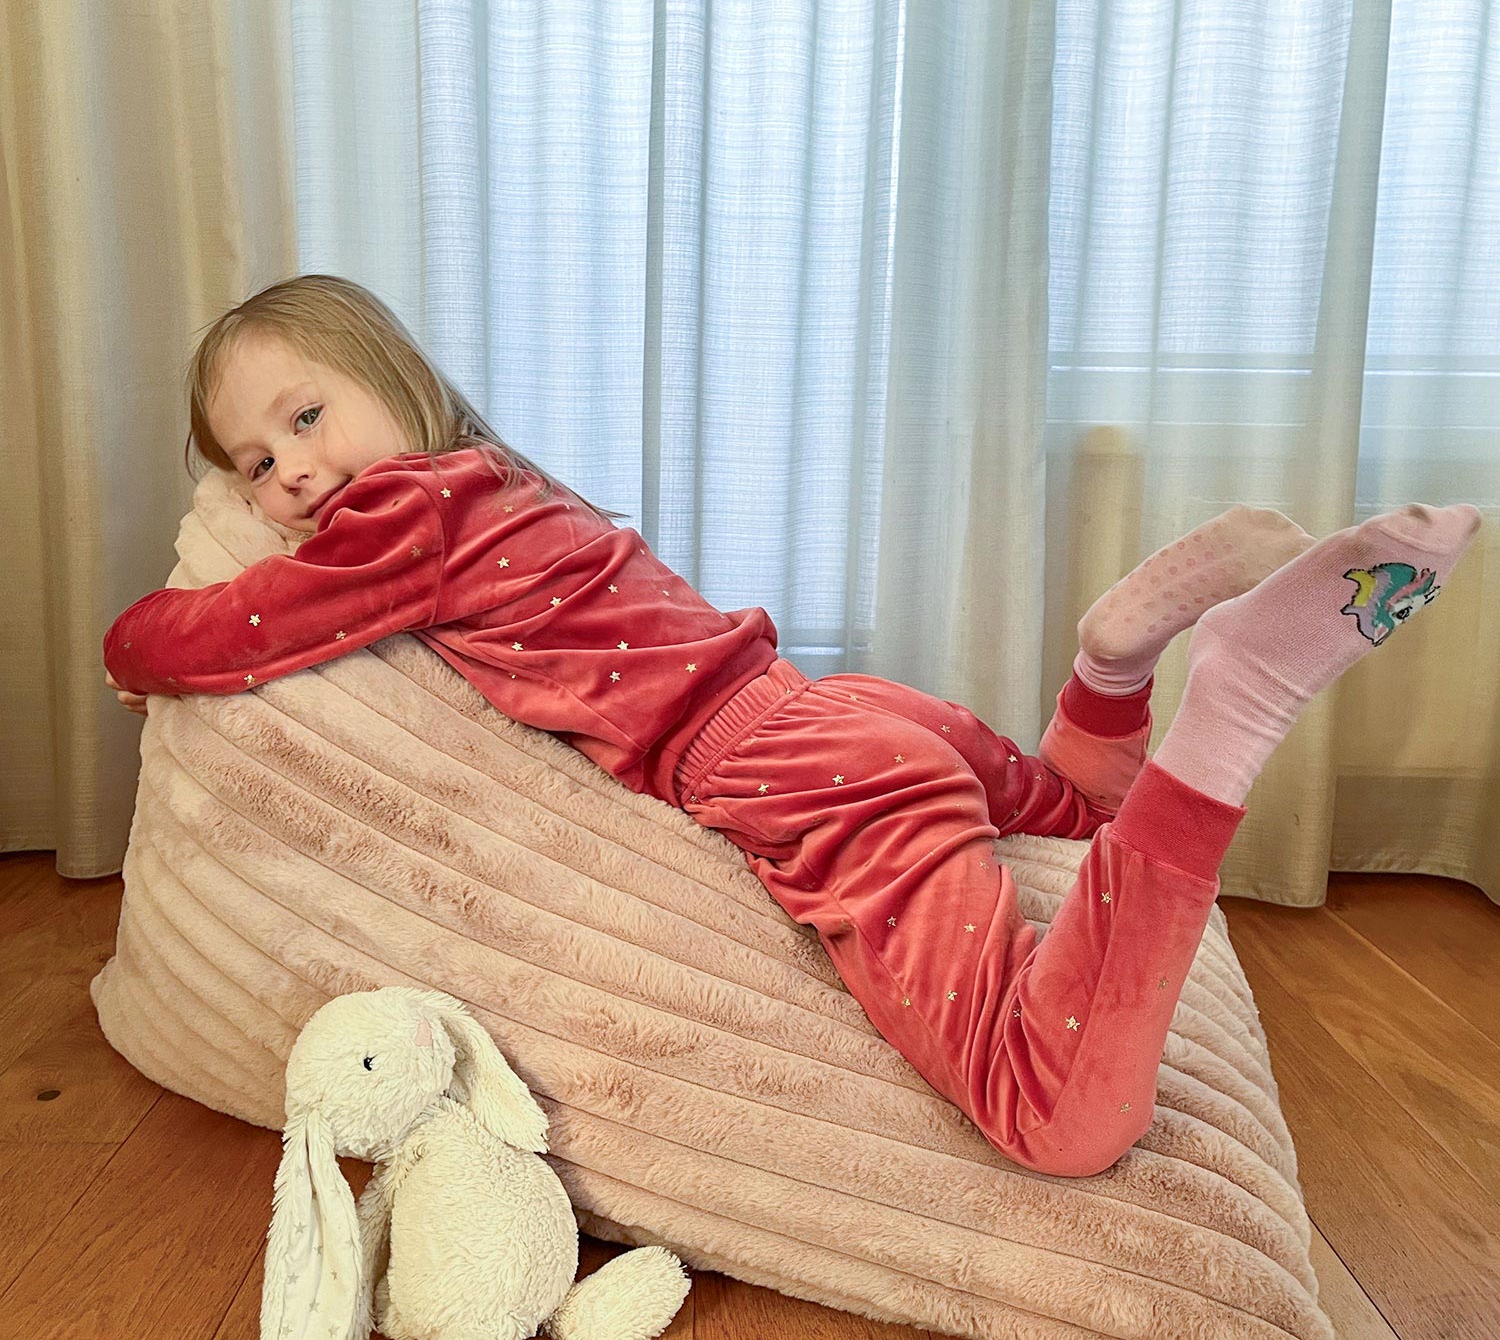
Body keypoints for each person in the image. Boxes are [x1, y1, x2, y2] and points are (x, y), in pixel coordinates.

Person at [103, 273, 1482, 1178]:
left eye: (306, 417)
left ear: (394, 381)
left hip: (789, 771)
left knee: (1052, 1112)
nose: (292, 475)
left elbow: (234, 629)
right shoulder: (500, 483)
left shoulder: (400, 518)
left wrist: (133, 645)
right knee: (1085, 818)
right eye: (255, 465)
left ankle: (1235, 704)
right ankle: (1113, 661)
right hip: (835, 704)